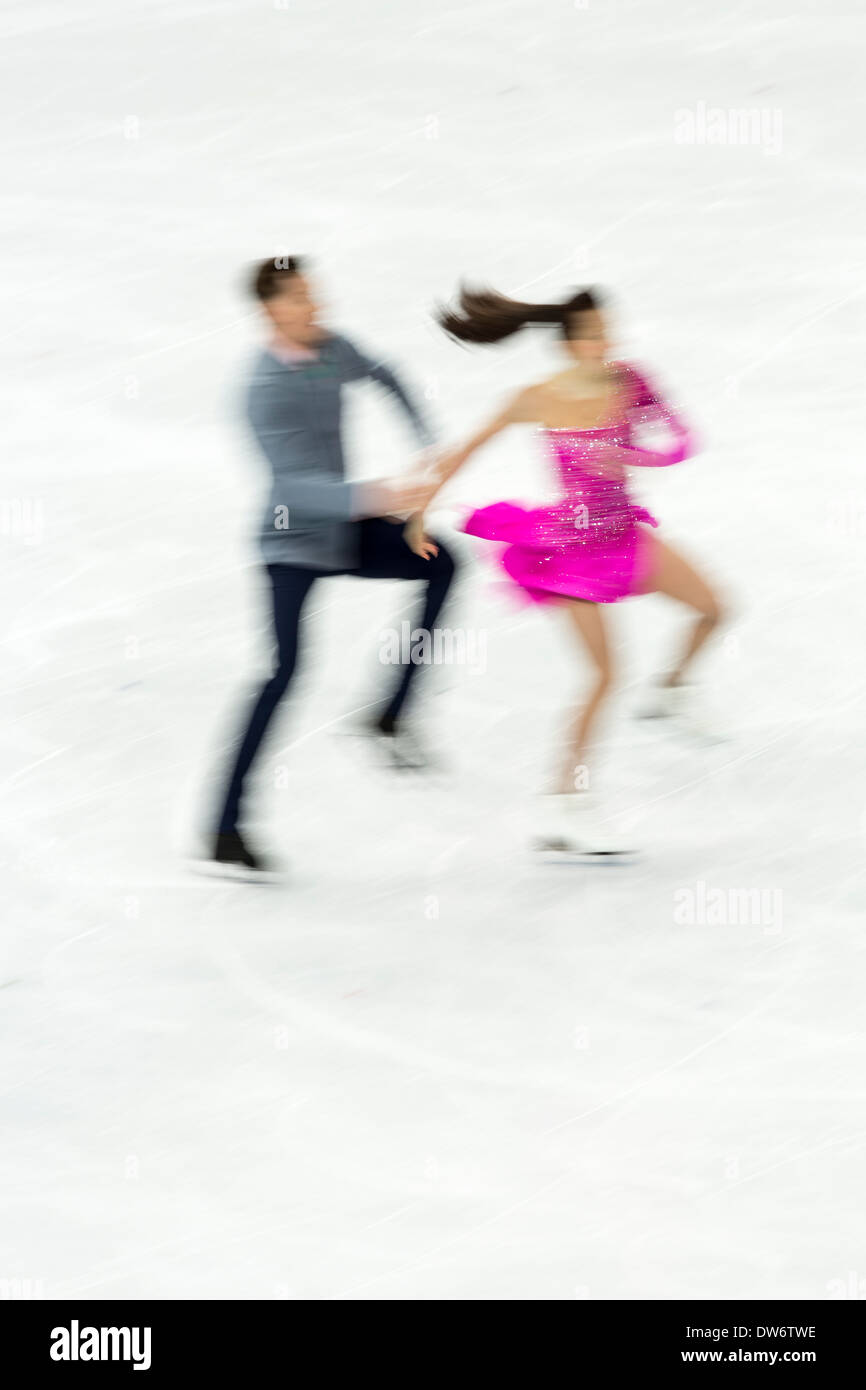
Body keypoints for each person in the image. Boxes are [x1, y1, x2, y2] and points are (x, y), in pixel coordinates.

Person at [405, 285, 725, 860]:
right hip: (569, 553)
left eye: (609, 330)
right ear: (570, 344)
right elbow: (465, 451)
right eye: (595, 333)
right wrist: (421, 512)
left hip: (624, 534)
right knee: (605, 676)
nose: (607, 341)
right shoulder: (536, 398)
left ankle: (673, 692)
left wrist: (632, 457)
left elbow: (682, 441)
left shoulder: (632, 381)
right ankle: (564, 807)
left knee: (715, 609)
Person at [205, 256, 456, 878]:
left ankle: (391, 713)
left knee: (442, 563)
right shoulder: (262, 389)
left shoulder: (331, 349)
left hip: (344, 533)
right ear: (271, 310)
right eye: (301, 299)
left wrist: (428, 444)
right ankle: (224, 828)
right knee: (284, 671)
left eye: (315, 294)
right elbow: (292, 488)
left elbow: (384, 373)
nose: (316, 306)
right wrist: (383, 496)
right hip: (290, 542)